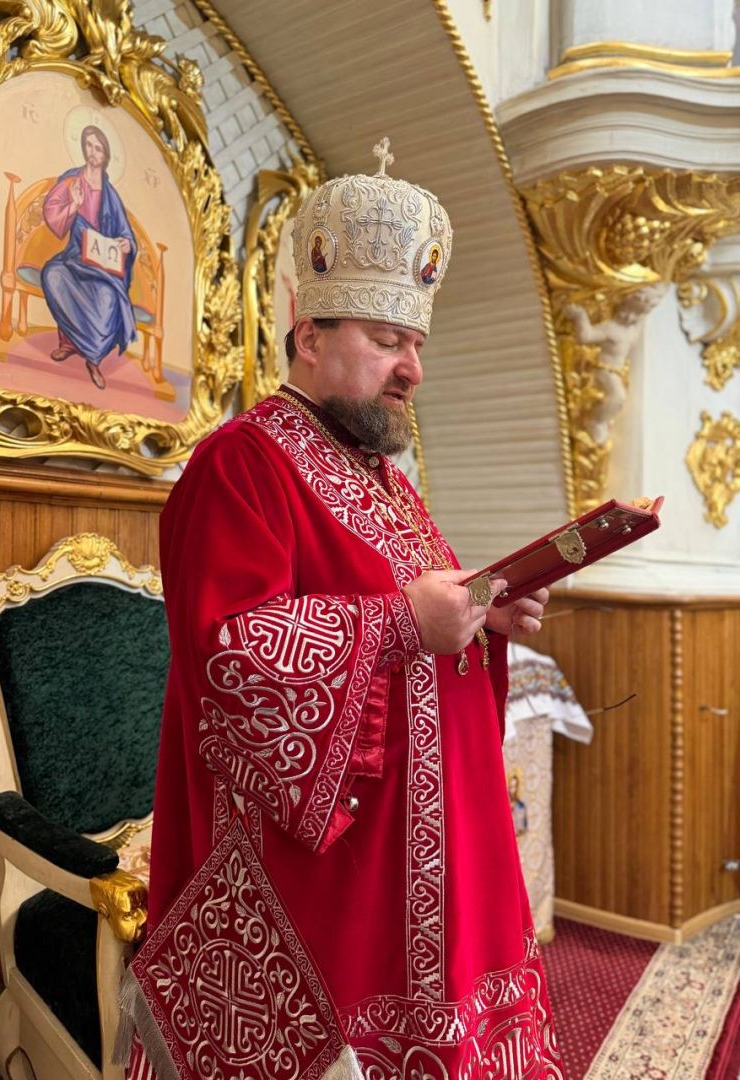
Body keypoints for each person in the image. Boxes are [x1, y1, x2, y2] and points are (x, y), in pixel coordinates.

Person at [137, 141, 565, 1078]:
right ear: (309, 336)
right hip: (329, 877)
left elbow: (416, 608)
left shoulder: (384, 480)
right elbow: (228, 654)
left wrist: (483, 613)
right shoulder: (240, 463)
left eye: (417, 345)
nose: (412, 368)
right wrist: (404, 624)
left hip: (430, 846)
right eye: (385, 340)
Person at [41, 125, 137, 390]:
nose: (93, 152)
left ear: (106, 155)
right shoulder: (72, 181)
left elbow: (125, 233)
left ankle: (93, 358)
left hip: (103, 267)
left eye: (98, 148)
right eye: (89, 145)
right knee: (53, 275)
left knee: (107, 297)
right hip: (74, 258)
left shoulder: (111, 196)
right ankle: (69, 344)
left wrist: (126, 244)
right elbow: (52, 214)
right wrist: (73, 204)